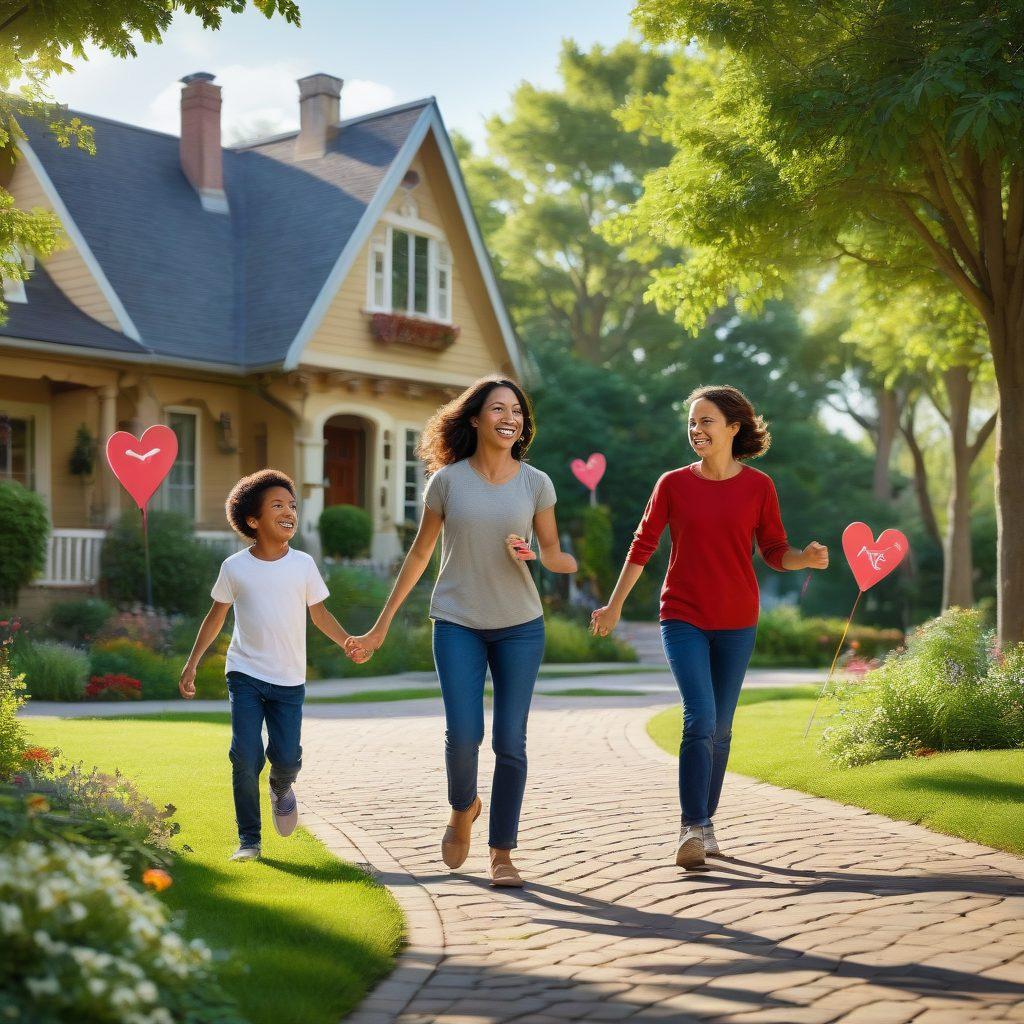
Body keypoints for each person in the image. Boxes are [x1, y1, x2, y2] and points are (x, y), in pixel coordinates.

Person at [346, 376, 576, 887]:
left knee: (511, 742)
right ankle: (462, 807)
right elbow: (421, 554)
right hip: (456, 622)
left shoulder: (536, 483)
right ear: (475, 419)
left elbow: (557, 553)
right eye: (497, 408)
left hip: (520, 625)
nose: (509, 417)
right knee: (464, 735)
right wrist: (381, 625)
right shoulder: (447, 481)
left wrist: (543, 558)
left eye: (516, 410)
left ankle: (501, 853)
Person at [590, 385, 829, 869]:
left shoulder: (759, 487)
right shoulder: (673, 484)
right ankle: (691, 826)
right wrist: (614, 605)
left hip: (738, 621)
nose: (696, 430)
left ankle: (706, 825)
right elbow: (642, 546)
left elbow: (774, 550)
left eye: (706, 421)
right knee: (699, 717)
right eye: (692, 422)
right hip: (683, 615)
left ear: (734, 428)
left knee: (721, 728)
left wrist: (804, 557)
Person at [179, 469, 368, 861]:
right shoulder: (234, 567)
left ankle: (282, 786)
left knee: (285, 757)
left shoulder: (302, 565)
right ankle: (249, 839)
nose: (289, 512)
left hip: (288, 679)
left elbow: (319, 615)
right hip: (245, 672)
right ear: (252, 520)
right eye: (277, 506)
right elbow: (215, 617)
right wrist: (192, 663)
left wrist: (347, 640)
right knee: (245, 756)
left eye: (292, 506)